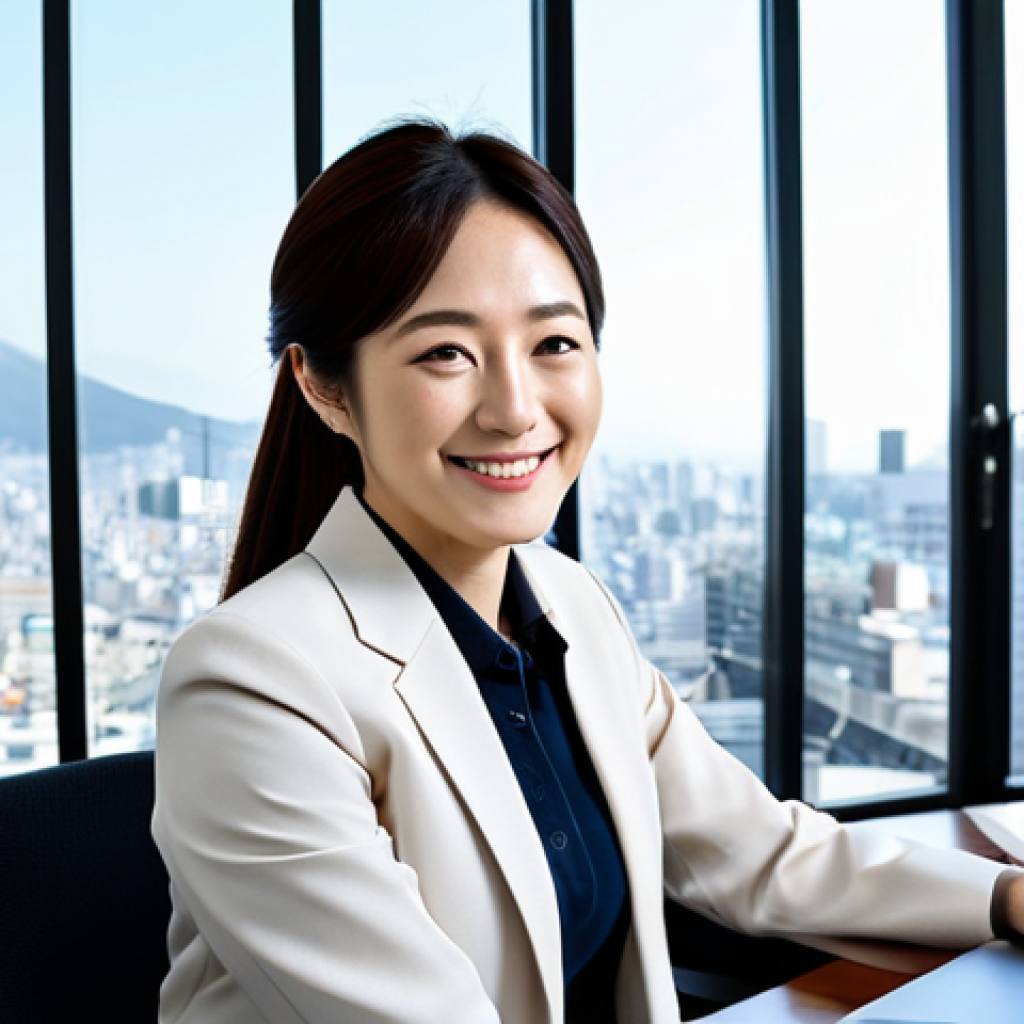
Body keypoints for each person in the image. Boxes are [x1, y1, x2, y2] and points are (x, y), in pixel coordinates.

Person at [152, 119, 1023, 1024]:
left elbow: (758, 853)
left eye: (554, 343)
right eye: (445, 352)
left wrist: (1003, 899)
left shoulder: (573, 605)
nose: (515, 408)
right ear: (325, 388)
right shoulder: (250, 682)